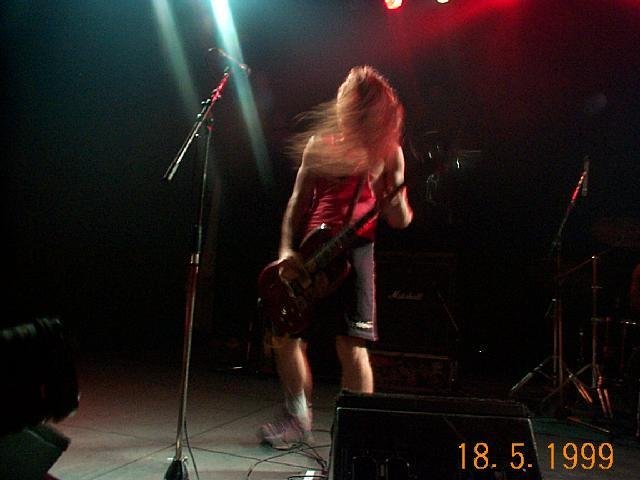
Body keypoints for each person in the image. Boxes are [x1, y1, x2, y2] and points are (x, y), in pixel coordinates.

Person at [258, 66, 413, 449]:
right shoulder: (320, 144)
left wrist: (395, 202)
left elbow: (400, 220)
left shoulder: (387, 151)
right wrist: (286, 250)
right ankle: (297, 419)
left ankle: (358, 433)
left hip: (355, 252)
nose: (344, 107)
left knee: (352, 345)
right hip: (311, 252)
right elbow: (296, 203)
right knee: (286, 336)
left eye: (353, 103)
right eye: (344, 98)